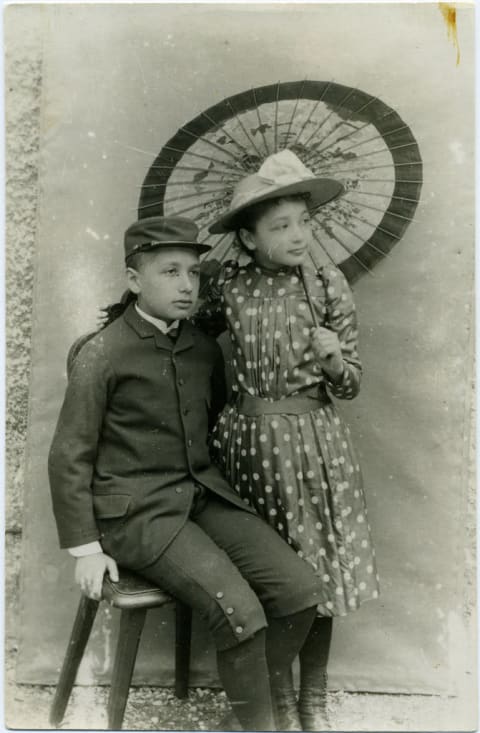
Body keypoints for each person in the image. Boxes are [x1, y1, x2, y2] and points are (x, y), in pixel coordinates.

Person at [48, 215, 324, 732]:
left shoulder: (199, 349)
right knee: (239, 611)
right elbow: (69, 454)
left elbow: (209, 420)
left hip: (198, 495)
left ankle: (246, 710)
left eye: (194, 274)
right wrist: (85, 548)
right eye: (170, 272)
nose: (186, 286)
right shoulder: (102, 353)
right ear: (134, 279)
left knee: (300, 590)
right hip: (135, 515)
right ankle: (259, 725)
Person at [195, 149, 380, 731]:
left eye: (304, 221)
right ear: (248, 240)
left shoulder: (326, 285)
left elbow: (349, 386)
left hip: (312, 448)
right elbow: (187, 343)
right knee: (272, 576)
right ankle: (273, 699)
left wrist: (333, 360)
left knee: (318, 572)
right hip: (247, 449)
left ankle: (313, 700)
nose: (298, 234)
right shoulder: (226, 285)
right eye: (280, 226)